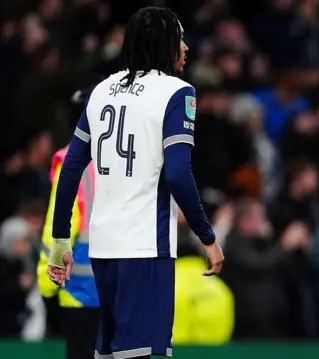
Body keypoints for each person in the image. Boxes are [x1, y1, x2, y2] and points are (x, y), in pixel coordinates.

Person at [48, 7, 225, 359]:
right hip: (146, 248)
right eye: (180, 38)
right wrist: (207, 236)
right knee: (138, 354)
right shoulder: (178, 93)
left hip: (102, 248)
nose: (186, 48)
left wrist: (59, 240)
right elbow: (177, 173)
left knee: (111, 353)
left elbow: (71, 167)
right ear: (163, 43)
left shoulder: (100, 91)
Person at [37, 83, 99, 359]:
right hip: (126, 291)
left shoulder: (73, 160)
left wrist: (46, 282)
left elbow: (59, 224)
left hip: (81, 292)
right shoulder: (132, 157)